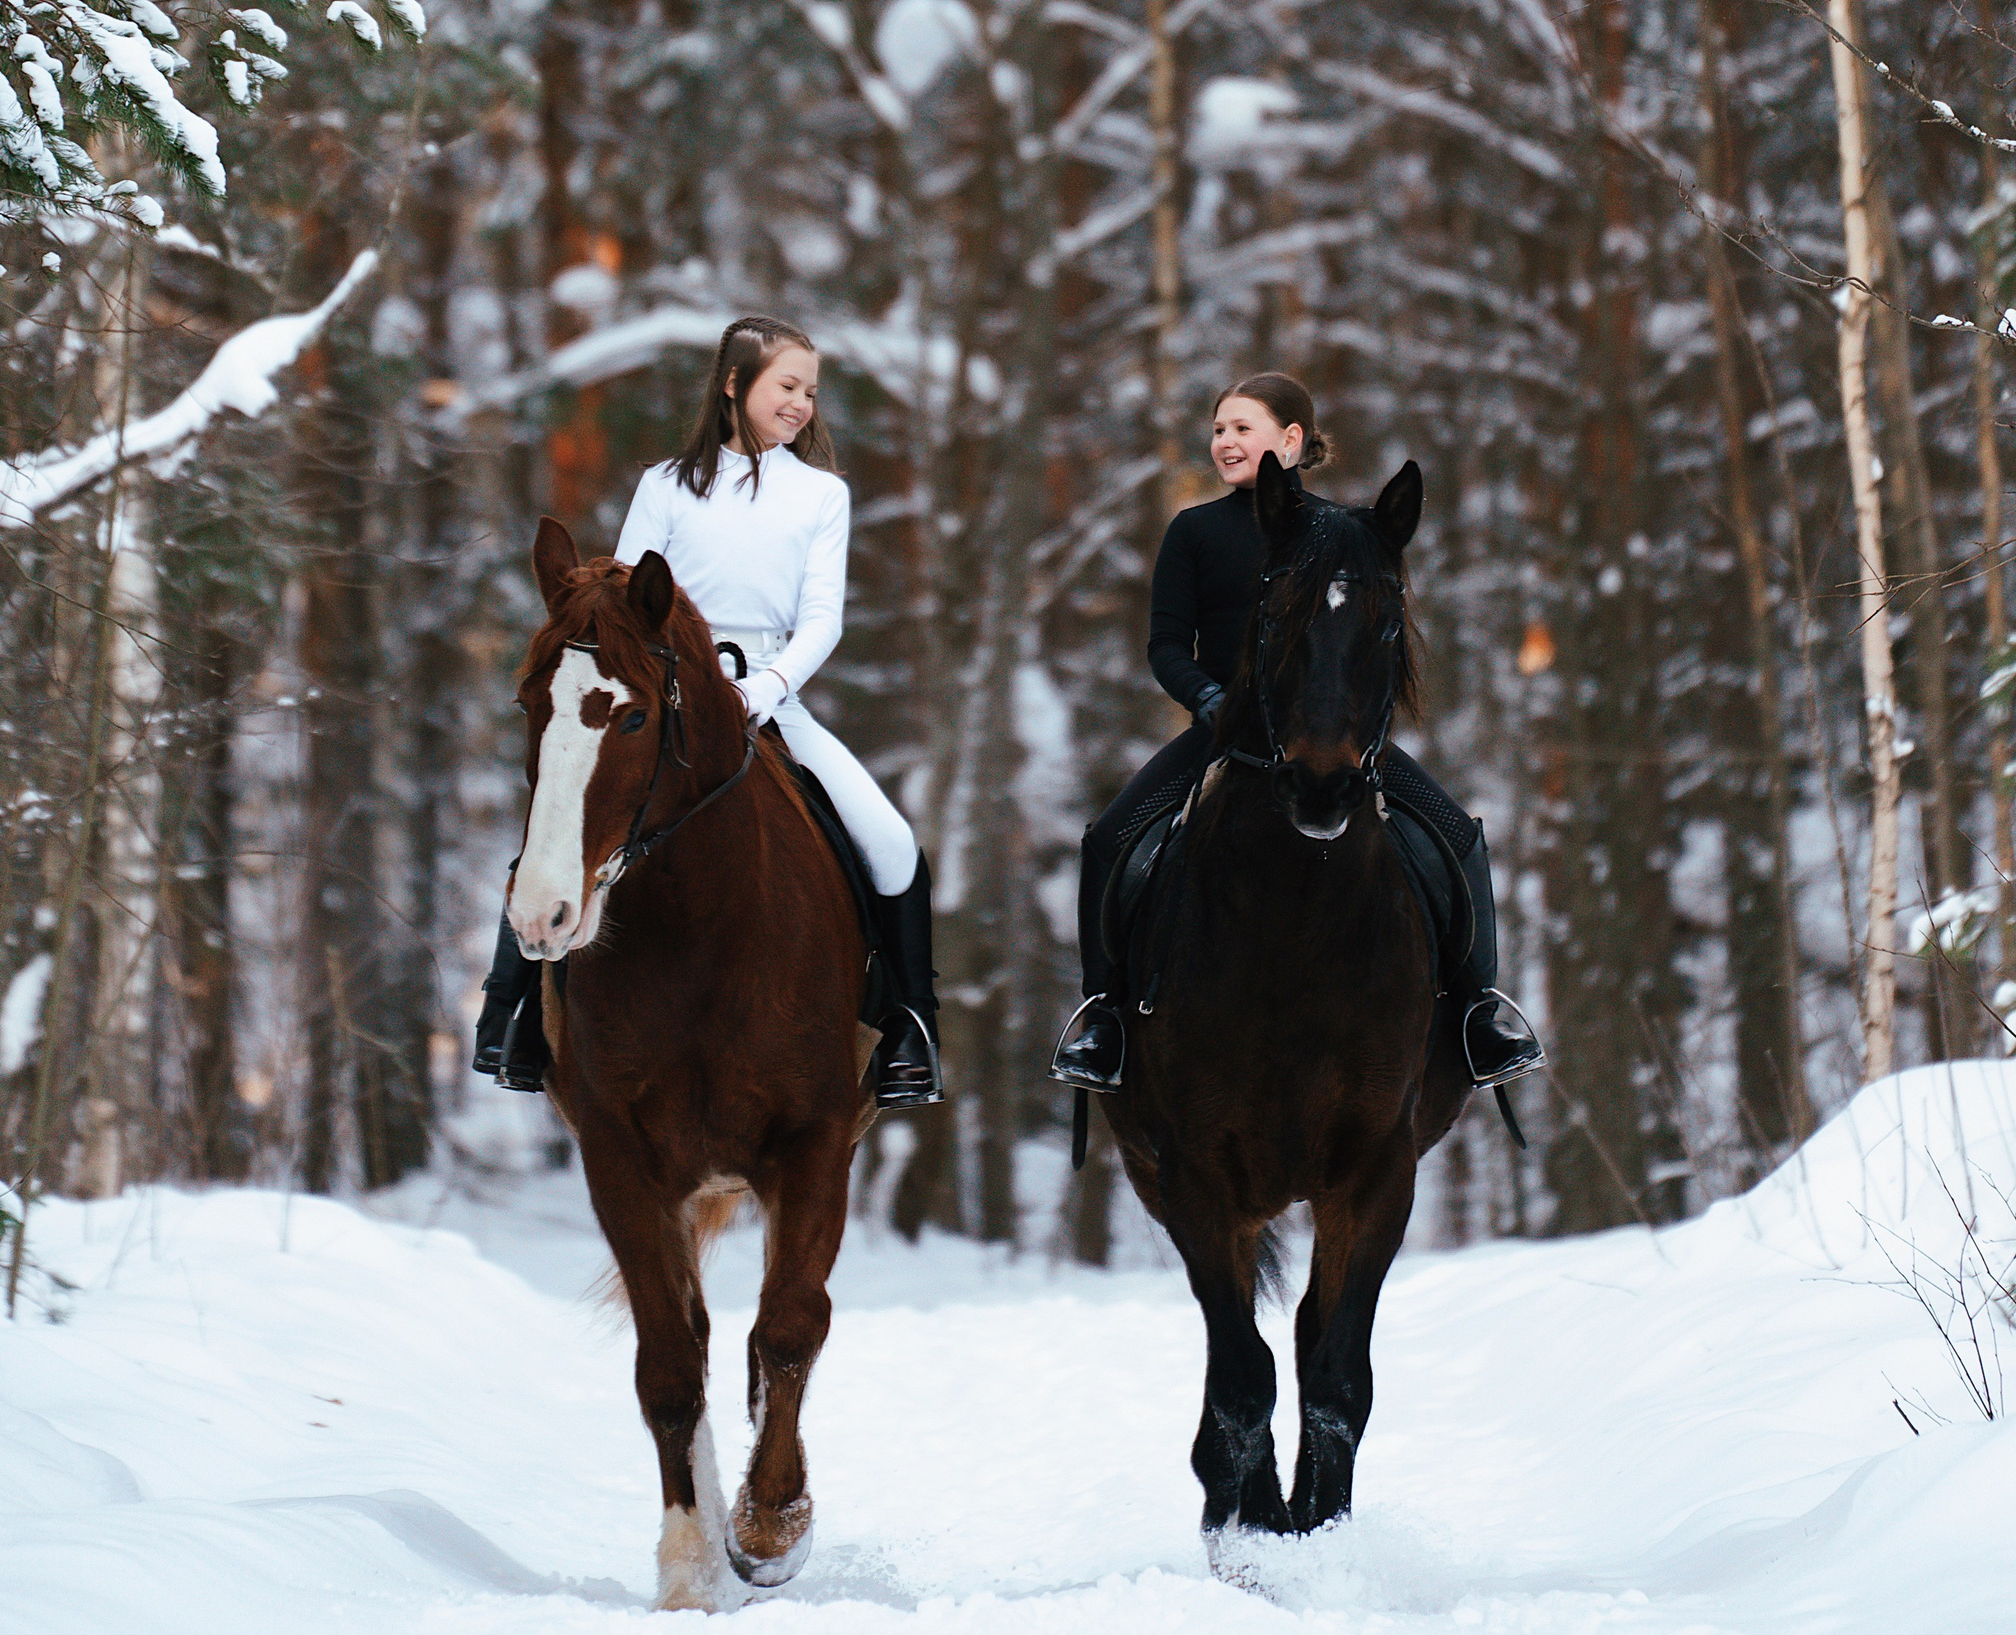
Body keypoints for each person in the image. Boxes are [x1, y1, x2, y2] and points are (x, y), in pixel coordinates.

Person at [476, 315, 945, 1108]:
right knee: (566, 817)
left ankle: (909, 1029)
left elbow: (823, 619)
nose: (802, 403)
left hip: (768, 692)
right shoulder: (665, 485)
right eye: (786, 386)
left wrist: (761, 692)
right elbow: (625, 595)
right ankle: (512, 1013)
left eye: (810, 391)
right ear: (734, 384)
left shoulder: (822, 495)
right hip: (661, 691)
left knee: (894, 844)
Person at [1047, 372, 1542, 1094]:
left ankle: (1477, 1010)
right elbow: (1163, 646)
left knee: (1458, 835)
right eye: (1217, 429)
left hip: (1328, 735)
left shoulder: (1340, 532)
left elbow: (1361, 640)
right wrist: (1211, 699)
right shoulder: (1194, 531)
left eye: (1242, 428)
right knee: (1109, 838)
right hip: (1224, 734)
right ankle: (1104, 1016)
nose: (1224, 441)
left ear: (1292, 441)